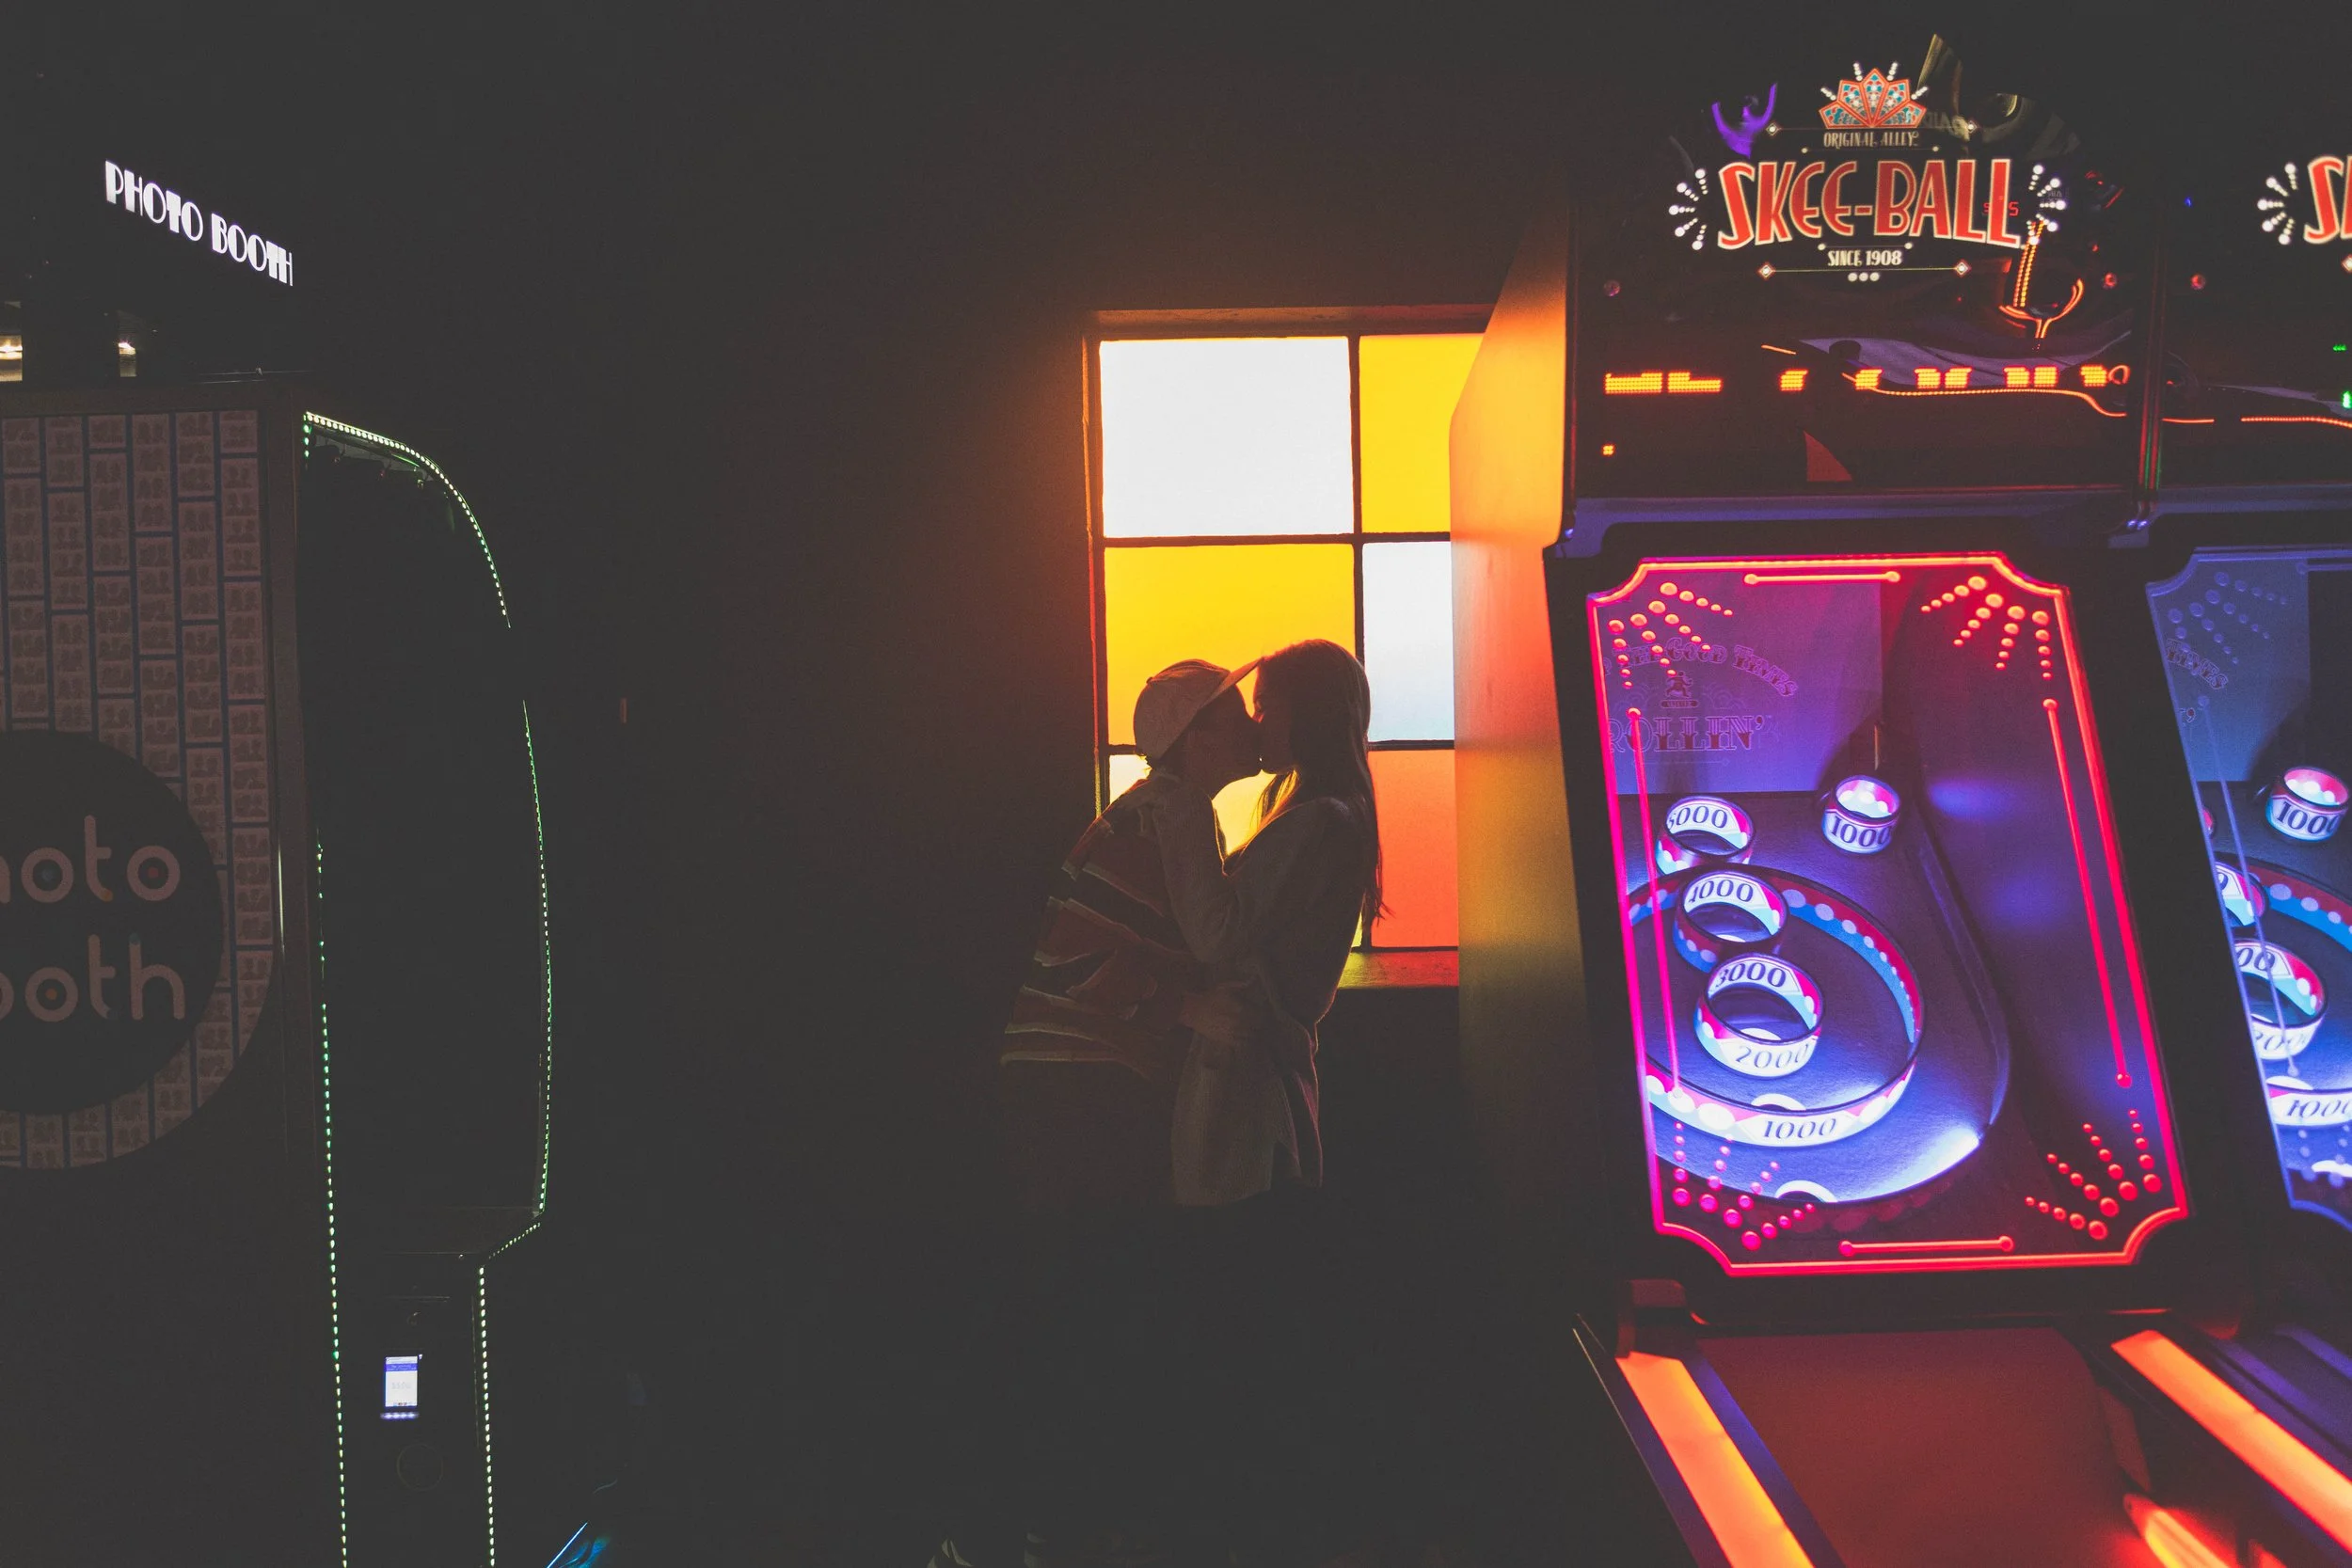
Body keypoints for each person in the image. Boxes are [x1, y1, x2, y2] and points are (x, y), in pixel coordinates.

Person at [937, 658, 1263, 1568]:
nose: (1248, 728)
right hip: (1080, 1087)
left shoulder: (1143, 814)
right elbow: (1206, 939)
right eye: (1233, 714)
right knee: (1088, 1300)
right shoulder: (1175, 810)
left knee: (1070, 1300)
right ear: (1195, 739)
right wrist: (1196, 1001)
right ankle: (1040, 1531)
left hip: (1056, 1087)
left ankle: (1029, 1526)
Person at [1139, 639, 1382, 1565]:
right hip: (1262, 1084)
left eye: (1267, 705)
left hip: (1243, 1091)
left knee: (1227, 1312)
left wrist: (1175, 814)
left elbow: (1223, 934)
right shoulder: (1326, 812)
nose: (1254, 721)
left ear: (1307, 716)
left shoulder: (1311, 819)